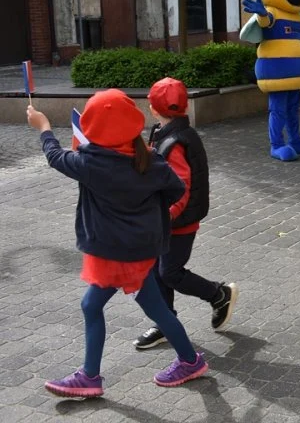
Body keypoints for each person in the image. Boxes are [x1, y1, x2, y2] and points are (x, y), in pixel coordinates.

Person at [26, 91, 208, 398]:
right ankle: (190, 361)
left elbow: (54, 156)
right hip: (142, 250)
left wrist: (43, 126)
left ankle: (90, 377)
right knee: (156, 309)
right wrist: (146, 211)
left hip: (117, 254)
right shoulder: (150, 160)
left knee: (92, 305)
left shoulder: (90, 163)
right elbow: (176, 190)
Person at [134, 78, 238, 351]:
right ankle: (165, 322)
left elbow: (181, 187)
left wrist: (166, 216)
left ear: (153, 108)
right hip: (164, 219)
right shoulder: (165, 132)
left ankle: (218, 294)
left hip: (177, 222)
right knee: (157, 273)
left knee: (169, 272)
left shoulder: (176, 140)